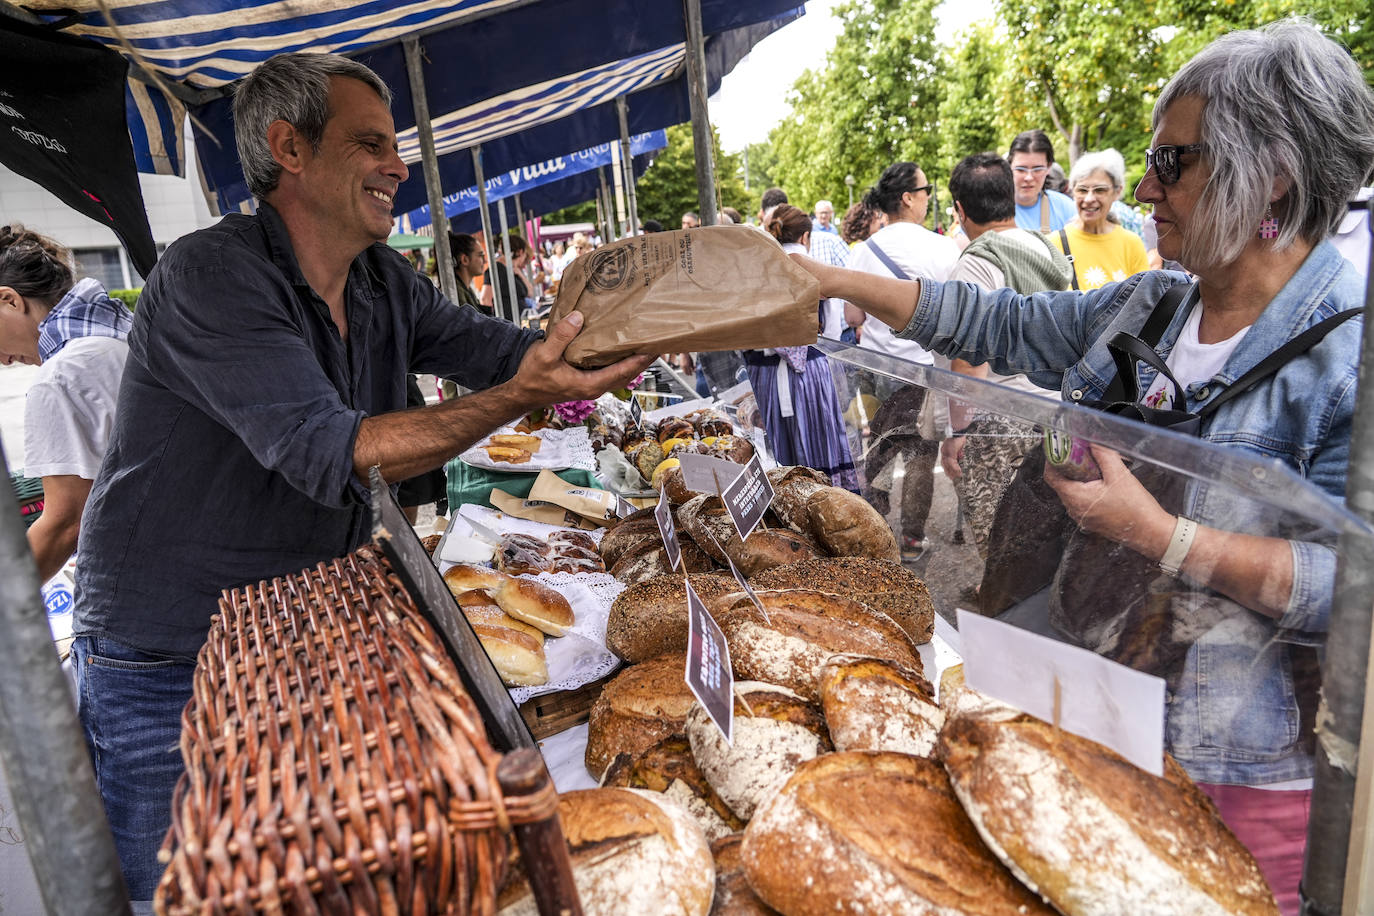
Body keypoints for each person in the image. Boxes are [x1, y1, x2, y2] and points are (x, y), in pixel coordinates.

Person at [785, 22, 1374, 912]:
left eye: (1173, 163)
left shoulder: (1349, 356)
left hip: (1226, 777)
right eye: (1149, 160)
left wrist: (1157, 533)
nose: (1144, 189)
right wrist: (831, 285)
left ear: (1273, 174)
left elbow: (1354, 582)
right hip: (1089, 700)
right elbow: (997, 325)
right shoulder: (1154, 303)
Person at [71, 52, 650, 904]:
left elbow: (501, 350)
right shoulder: (212, 276)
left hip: (298, 635)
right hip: (168, 657)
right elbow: (326, 450)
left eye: (396, 145)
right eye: (371, 143)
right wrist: (521, 395)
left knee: (307, 876)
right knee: (188, 892)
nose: (399, 166)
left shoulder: (384, 281)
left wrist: (621, 333)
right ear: (288, 148)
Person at [937, 154, 1072, 565]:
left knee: (1001, 546)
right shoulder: (1044, 246)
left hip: (997, 427)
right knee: (1046, 539)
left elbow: (968, 363)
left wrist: (958, 432)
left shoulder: (977, 262)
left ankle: (1004, 618)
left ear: (960, 210)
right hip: (1054, 414)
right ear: (1010, 196)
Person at [0, 227, 131, 582]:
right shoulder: (123, 335)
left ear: (9, 300)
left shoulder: (59, 377)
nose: (2, 359)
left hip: (148, 585)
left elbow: (65, 523)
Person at [845, 162, 960, 560]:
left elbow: (852, 319)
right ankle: (912, 540)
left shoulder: (864, 251)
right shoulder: (943, 247)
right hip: (923, 374)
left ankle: (872, 531)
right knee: (920, 458)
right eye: (926, 189)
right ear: (909, 198)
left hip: (875, 373)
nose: (930, 196)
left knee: (876, 449)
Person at [742, 204, 858, 489]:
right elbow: (830, 329)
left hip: (765, 377)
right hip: (809, 374)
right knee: (818, 450)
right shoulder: (811, 267)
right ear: (806, 237)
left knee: (779, 458)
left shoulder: (758, 269)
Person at [1050, 149, 1150, 290]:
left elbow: (1142, 301)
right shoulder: (1053, 244)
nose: (1089, 199)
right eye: (1082, 190)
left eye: (1099, 190)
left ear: (1117, 192)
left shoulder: (1131, 244)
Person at [1008, 129, 1076, 233]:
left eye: (1037, 169)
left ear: (1049, 167)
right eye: (1021, 169)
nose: (1029, 177)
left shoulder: (1065, 208)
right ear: (1009, 166)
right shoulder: (991, 208)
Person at [481, 231, 532, 318]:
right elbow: (485, 299)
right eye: (524, 255)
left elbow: (530, 292)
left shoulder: (512, 270)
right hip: (508, 324)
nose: (524, 260)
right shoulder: (497, 269)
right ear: (520, 252)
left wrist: (520, 274)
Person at [448, 231, 485, 310]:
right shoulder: (455, 292)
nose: (484, 261)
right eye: (480, 255)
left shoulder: (465, 288)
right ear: (465, 260)